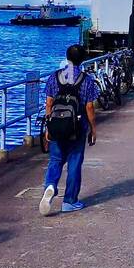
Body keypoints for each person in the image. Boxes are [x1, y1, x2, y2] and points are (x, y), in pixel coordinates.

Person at [39, 44, 98, 215]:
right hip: (77, 127)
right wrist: (93, 129)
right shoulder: (86, 80)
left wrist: (49, 125)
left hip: (56, 125)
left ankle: (50, 185)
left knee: (56, 159)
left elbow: (49, 103)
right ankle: (69, 201)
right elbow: (89, 108)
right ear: (83, 59)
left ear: (67, 58)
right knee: (74, 161)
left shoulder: (54, 77)